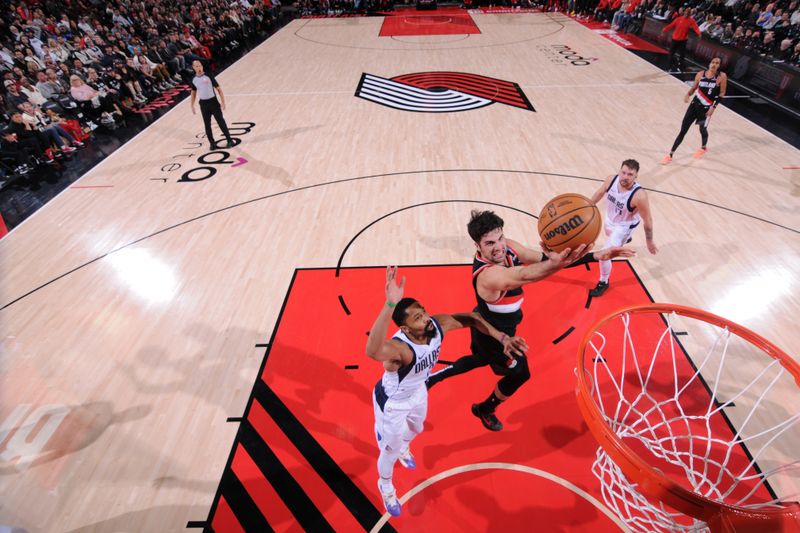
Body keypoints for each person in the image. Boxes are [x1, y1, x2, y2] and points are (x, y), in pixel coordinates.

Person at [426, 211, 634, 431]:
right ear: (477, 246)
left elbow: (544, 260)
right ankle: (485, 408)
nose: (498, 247)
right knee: (520, 373)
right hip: (495, 334)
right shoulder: (488, 275)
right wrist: (558, 263)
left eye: (500, 238)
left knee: (480, 359)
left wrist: (597, 255)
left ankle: (432, 379)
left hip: (487, 321)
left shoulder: (509, 248)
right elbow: (528, 275)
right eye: (489, 243)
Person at [366, 266, 527, 517]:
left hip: (418, 391)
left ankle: (404, 447)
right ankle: (385, 485)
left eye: (424, 312)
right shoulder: (400, 350)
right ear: (406, 329)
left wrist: (501, 337)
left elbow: (471, 318)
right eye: (417, 318)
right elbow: (373, 351)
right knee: (389, 448)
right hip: (393, 403)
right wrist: (389, 304)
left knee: (417, 429)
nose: (426, 318)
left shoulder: (437, 325)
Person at [588, 159, 658, 297]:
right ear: (619, 171)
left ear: (636, 176)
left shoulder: (639, 196)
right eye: (623, 172)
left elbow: (648, 220)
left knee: (604, 254)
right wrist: (587, 206)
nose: (625, 177)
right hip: (611, 219)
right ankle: (623, 239)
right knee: (609, 234)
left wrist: (649, 241)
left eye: (630, 174)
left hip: (624, 225)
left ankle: (604, 281)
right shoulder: (611, 180)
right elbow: (600, 192)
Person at [661, 57, 727, 164]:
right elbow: (694, 88)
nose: (714, 65)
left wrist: (713, 107)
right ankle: (670, 155)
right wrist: (688, 94)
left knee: (702, 129)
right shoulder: (701, 74)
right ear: (709, 64)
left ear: (719, 66)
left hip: (706, 109)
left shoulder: (721, 77)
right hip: (694, 106)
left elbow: (722, 93)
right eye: (713, 62)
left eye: (717, 63)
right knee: (683, 130)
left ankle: (703, 147)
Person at [189, 59, 234, 150]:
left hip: (213, 102)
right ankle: (212, 143)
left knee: (220, 121)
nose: (199, 67)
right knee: (207, 124)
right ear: (193, 68)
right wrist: (192, 105)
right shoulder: (193, 80)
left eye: (200, 65)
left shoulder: (208, 76)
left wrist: (223, 102)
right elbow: (193, 92)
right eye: (197, 66)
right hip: (203, 104)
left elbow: (218, 88)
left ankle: (229, 140)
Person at [661, 7, 701, 72]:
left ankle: (681, 68)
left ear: (690, 14)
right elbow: (671, 25)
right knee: (671, 54)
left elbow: (696, 27)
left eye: (688, 13)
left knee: (682, 55)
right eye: (686, 12)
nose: (686, 14)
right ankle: (668, 67)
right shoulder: (678, 19)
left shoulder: (691, 21)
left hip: (683, 41)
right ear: (684, 12)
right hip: (675, 39)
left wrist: (699, 33)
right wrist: (664, 30)